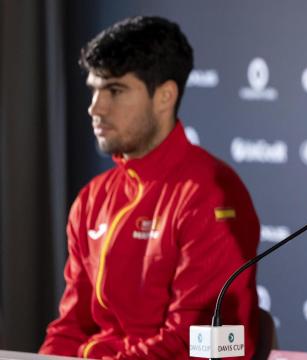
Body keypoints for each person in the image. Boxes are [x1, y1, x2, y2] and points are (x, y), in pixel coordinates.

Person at [39, 16, 260, 359]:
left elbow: (195, 343)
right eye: (93, 90)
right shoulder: (92, 198)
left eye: (114, 90)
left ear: (165, 96)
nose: (94, 107)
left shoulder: (210, 193)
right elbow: (70, 326)